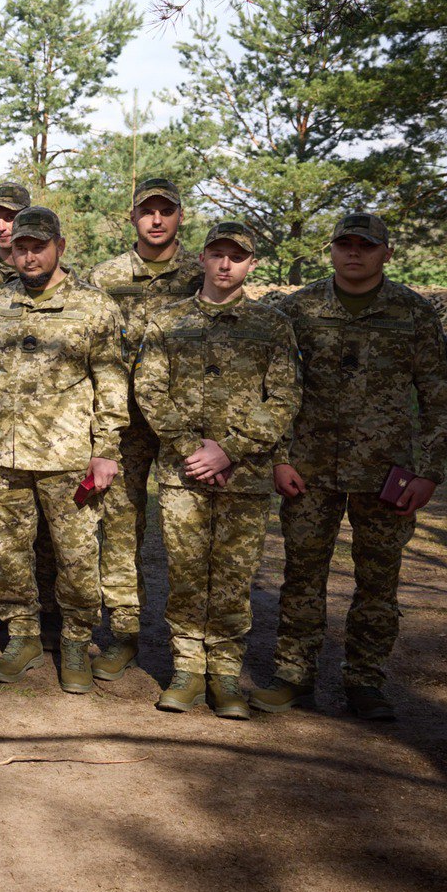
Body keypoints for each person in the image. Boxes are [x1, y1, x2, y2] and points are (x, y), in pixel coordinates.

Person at [254, 212, 447, 721]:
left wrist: (430, 471)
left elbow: (439, 398)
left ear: (386, 253)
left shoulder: (413, 313)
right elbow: (269, 389)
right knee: (302, 576)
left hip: (386, 473)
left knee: (378, 582)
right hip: (310, 468)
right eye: (344, 244)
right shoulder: (297, 309)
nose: (354, 253)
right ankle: (294, 674)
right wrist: (279, 458)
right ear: (330, 250)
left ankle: (366, 681)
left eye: (366, 246)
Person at [134, 220, 301, 719]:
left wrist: (228, 449)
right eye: (217, 254)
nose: (226, 264)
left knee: (232, 576)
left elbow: (286, 395)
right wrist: (192, 450)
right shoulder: (167, 322)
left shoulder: (271, 325)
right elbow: (149, 389)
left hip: (244, 474)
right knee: (185, 571)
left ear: (251, 264)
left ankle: (225, 673)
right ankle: (186, 670)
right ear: (202, 259)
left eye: (238, 256)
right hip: (182, 472)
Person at [0, 206, 129, 694]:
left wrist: (106, 448)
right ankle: (21, 636)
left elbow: (111, 378)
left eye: (38, 246)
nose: (28, 256)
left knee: (77, 556)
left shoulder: (95, 305)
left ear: (59, 247)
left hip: (69, 456)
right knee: (10, 553)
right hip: (6, 456)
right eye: (20, 247)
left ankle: (75, 641)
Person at [86, 176, 203, 679]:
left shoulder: (204, 275)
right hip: (123, 422)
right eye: (147, 211)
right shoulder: (105, 277)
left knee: (189, 533)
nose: (156, 220)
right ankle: (126, 632)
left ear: (180, 217)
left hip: (185, 421)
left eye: (166, 211)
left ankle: (192, 646)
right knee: (118, 526)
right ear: (132, 217)